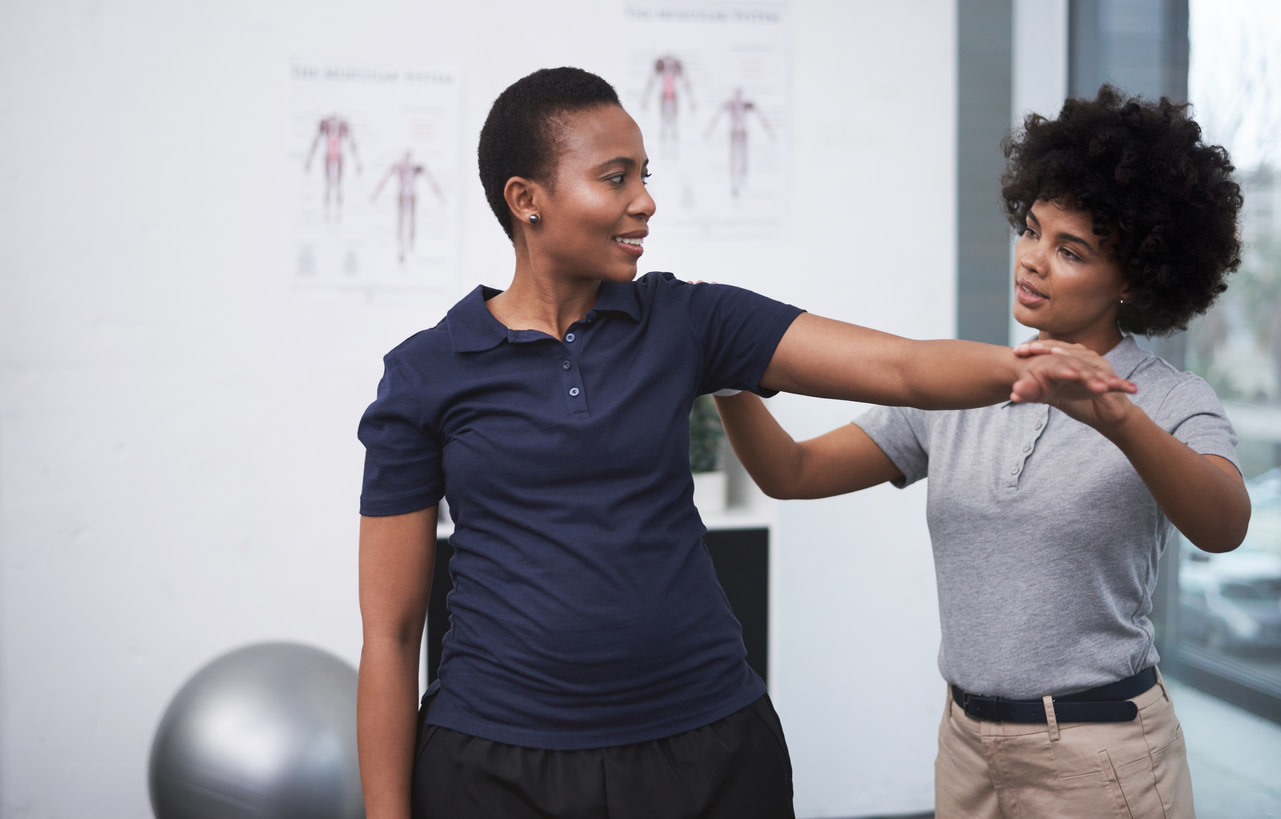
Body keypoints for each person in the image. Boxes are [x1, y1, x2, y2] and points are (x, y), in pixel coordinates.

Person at [355, 67, 1131, 819]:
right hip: (496, 761)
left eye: (643, 175)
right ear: (526, 200)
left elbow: (898, 365)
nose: (646, 202)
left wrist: (1023, 367)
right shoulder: (427, 373)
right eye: (615, 179)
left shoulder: (687, 319)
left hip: (705, 747)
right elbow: (390, 635)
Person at [715, 85, 1251, 818]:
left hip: (1100, 756)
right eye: (1031, 230)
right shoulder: (959, 391)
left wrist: (1117, 423)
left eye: (1070, 250)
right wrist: (728, 377)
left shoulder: (1167, 399)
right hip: (967, 745)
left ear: (1131, 277)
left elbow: (1223, 524)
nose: (1031, 260)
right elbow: (791, 472)